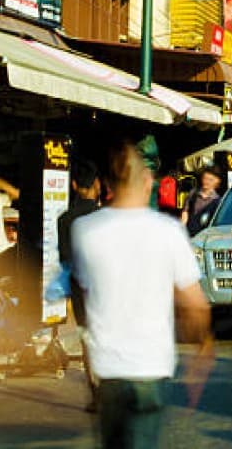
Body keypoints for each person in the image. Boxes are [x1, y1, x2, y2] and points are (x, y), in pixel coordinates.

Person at [72, 141, 211, 448]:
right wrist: (203, 346)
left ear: (105, 185)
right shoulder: (169, 231)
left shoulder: (84, 230)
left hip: (108, 368)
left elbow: (85, 287)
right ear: (148, 182)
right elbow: (196, 304)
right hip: (151, 366)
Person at [58, 158, 102, 411]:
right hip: (107, 288)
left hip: (80, 289)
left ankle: (96, 394)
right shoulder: (105, 218)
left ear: (74, 185)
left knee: (88, 339)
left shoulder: (65, 220)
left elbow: (65, 259)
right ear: (96, 184)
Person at [182, 165, 224, 237]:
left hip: (205, 236)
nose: (206, 181)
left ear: (217, 181)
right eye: (205, 178)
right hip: (189, 233)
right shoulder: (193, 193)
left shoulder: (218, 201)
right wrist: (182, 228)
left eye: (210, 180)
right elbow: (185, 212)